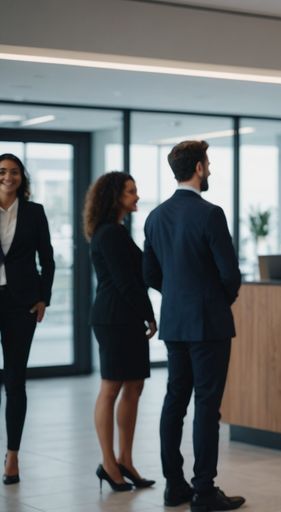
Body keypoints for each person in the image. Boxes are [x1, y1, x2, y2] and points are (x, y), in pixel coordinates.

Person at [143, 141, 245, 511]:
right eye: (209, 163)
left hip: (174, 322)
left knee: (175, 402)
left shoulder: (154, 217)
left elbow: (150, 274)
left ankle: (174, 486)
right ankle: (204, 491)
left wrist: (178, 295)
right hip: (209, 324)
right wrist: (217, 300)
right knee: (206, 406)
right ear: (199, 168)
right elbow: (229, 274)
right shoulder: (210, 214)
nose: (211, 170)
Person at [85, 171, 158, 492]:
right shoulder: (110, 234)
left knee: (134, 388)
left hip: (125, 318)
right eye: (130, 191)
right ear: (115, 197)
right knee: (111, 388)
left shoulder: (116, 231)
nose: (136, 196)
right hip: (114, 319)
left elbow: (141, 272)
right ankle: (109, 463)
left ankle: (125, 460)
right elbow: (127, 282)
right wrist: (150, 315)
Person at [0, 154, 53, 485]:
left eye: (14, 172)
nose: (8, 177)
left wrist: (43, 297)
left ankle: (12, 456)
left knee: (15, 381)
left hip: (21, 305)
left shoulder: (34, 212)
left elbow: (47, 258)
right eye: (2, 171)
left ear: (22, 177)